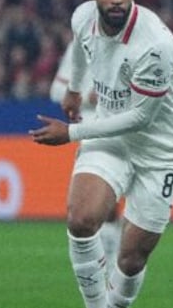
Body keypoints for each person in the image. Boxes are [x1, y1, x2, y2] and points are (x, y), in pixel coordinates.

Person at [30, 0, 173, 308]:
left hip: (160, 150)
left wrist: (70, 133)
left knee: (132, 258)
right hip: (109, 137)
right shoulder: (83, 17)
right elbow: (84, 52)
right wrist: (76, 91)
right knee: (82, 219)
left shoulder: (155, 44)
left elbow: (141, 118)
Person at [50, 41, 122, 270]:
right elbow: (56, 91)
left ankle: (113, 258)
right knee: (98, 205)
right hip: (93, 134)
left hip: (128, 129)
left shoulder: (137, 42)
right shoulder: (79, 46)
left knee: (114, 203)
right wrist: (88, 97)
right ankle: (107, 259)